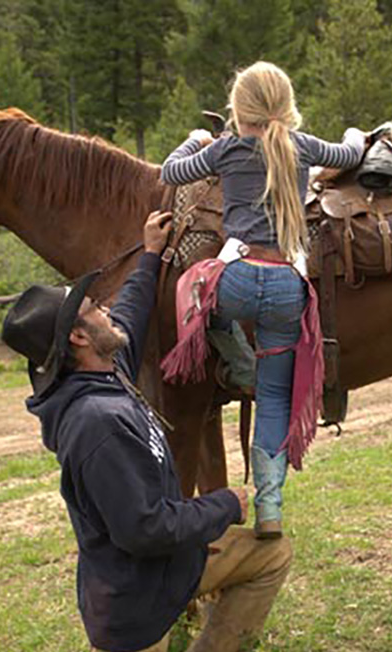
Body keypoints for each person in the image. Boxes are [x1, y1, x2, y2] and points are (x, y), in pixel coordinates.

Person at [0, 209, 293, 652]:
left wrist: (151, 254)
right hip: (136, 606)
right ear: (80, 337)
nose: (107, 309)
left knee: (269, 554)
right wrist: (225, 505)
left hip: (170, 567)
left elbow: (128, 312)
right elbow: (145, 531)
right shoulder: (97, 423)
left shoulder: (102, 372)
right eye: (92, 309)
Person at [159, 61, 366, 538]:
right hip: (286, 289)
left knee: (194, 287)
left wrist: (196, 138)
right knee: (274, 400)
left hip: (233, 282)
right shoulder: (304, 147)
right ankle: (269, 510)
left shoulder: (226, 149)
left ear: (238, 108)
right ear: (287, 107)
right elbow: (349, 153)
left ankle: (236, 360)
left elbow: (172, 171)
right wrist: (356, 135)